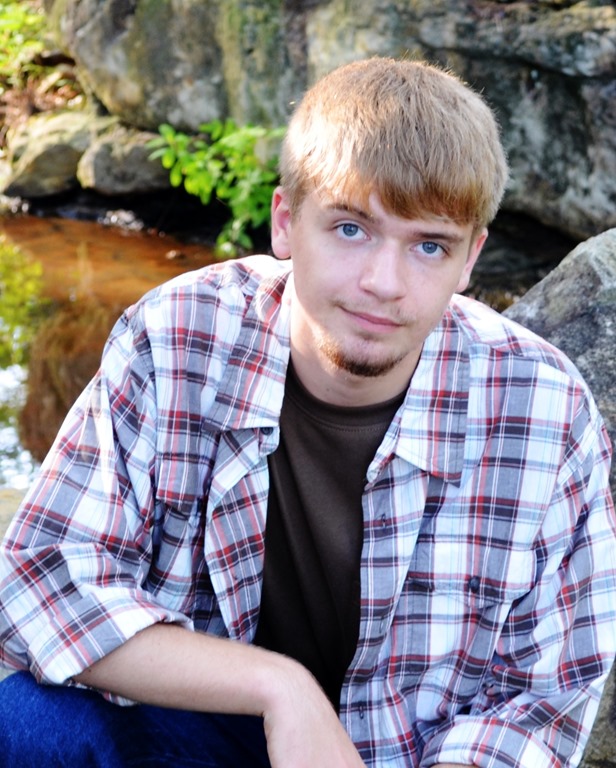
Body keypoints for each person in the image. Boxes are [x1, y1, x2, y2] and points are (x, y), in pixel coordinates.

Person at [0, 57, 614, 768]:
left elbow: (540, 700)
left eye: (429, 245)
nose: (384, 283)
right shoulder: (177, 336)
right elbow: (42, 580)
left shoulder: (544, 409)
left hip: (406, 758)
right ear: (286, 222)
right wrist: (279, 689)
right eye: (351, 229)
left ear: (470, 259)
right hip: (208, 733)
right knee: (29, 724)